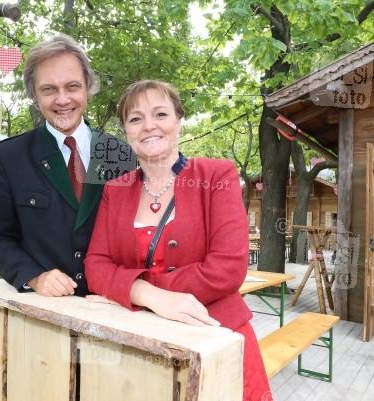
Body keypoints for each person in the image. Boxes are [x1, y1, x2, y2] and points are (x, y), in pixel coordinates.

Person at [84, 80, 272, 401]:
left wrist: (128, 291)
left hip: (214, 337)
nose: (149, 126)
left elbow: (228, 268)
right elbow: (96, 265)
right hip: (142, 345)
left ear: (178, 121)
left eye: (160, 114)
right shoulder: (115, 189)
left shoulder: (216, 176)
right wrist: (146, 294)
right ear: (126, 131)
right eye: (135, 118)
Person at [0, 34, 135, 297]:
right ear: (34, 95)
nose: (62, 100)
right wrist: (35, 276)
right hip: (42, 313)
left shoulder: (121, 154)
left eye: (72, 86)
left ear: (88, 86)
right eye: (49, 89)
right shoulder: (9, 156)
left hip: (109, 307)